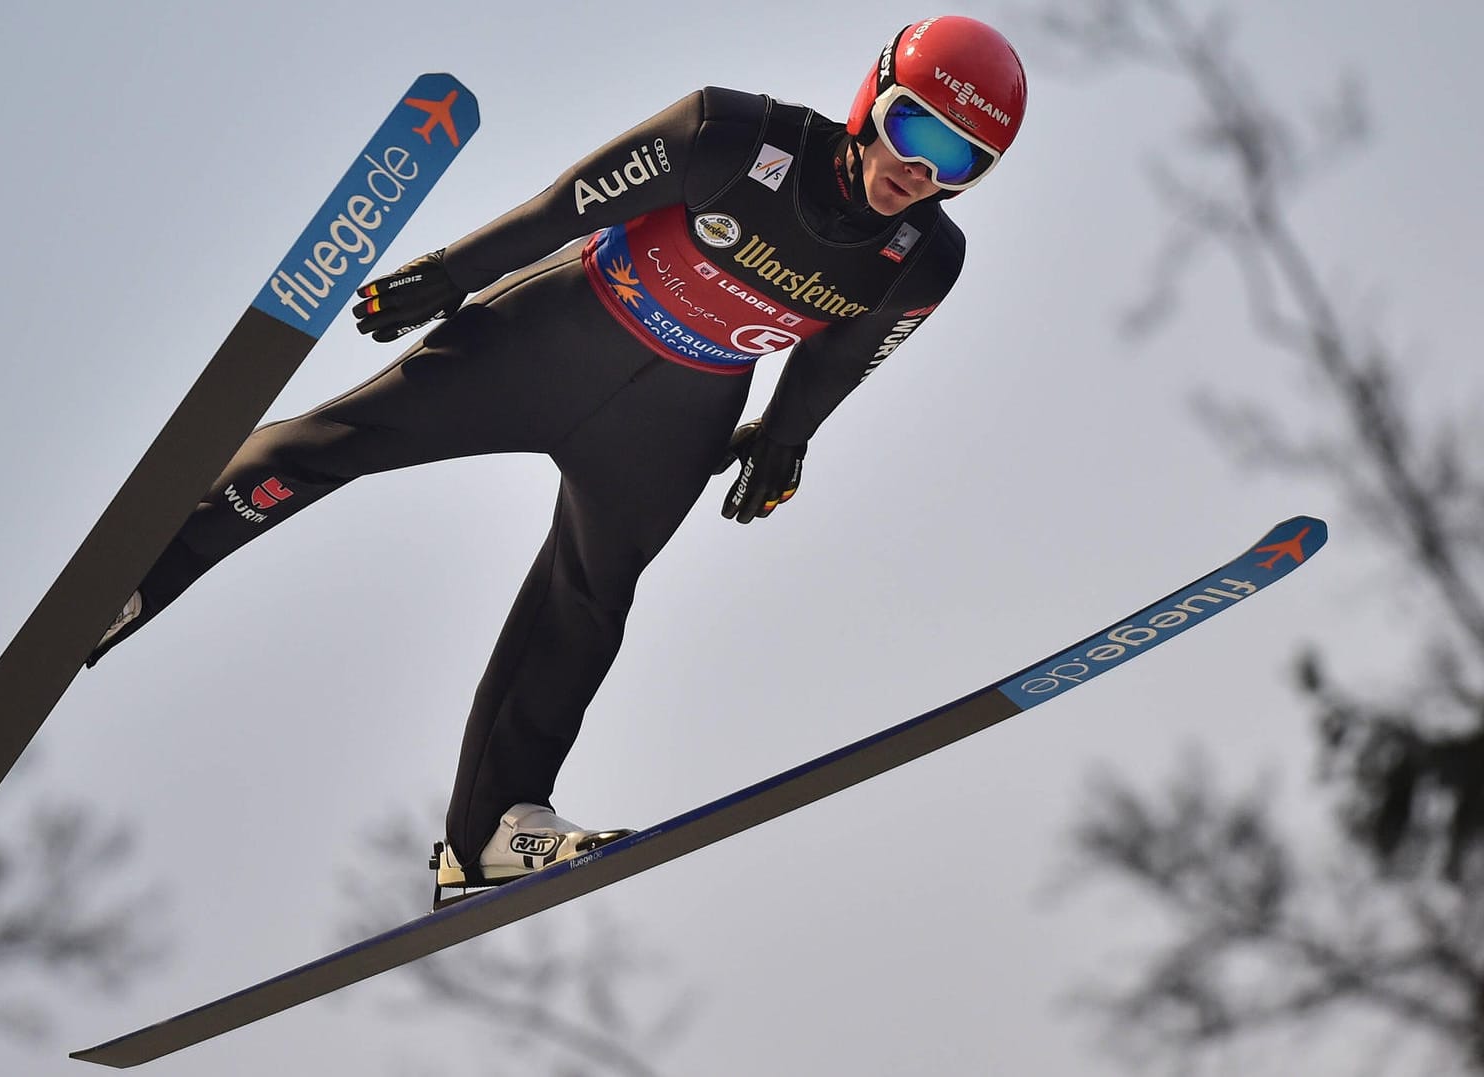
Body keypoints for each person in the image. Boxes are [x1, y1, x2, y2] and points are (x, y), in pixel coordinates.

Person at [87, 15, 1028, 900]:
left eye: (959, 160)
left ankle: (491, 829)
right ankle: (136, 577)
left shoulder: (921, 260)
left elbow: (838, 360)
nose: (918, 168)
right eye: (913, 128)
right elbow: (563, 205)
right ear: (873, 96)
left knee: (590, 598)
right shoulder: (731, 135)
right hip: (554, 336)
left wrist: (785, 444)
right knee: (347, 441)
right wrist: (450, 274)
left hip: (675, 417)